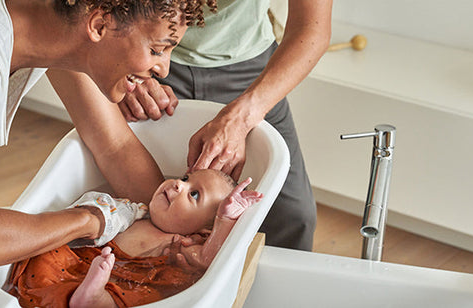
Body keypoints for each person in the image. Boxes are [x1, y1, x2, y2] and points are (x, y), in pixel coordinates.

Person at [0, 0, 215, 278]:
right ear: (100, 24)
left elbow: (115, 146)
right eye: (157, 49)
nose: (163, 68)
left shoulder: (52, 27)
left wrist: (178, 230)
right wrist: (90, 219)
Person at [116, 0, 334, 251]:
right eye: (185, 179)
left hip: (249, 69)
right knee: (133, 189)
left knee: (295, 216)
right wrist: (128, 65)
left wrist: (243, 116)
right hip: (147, 52)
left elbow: (312, 29)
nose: (178, 183)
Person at [5, 169, 262, 308]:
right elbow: (101, 221)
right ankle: (83, 294)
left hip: (132, 282)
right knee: (50, 252)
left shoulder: (184, 244)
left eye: (194, 195)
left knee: (149, 298)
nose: (178, 185)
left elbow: (209, 261)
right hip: (85, 262)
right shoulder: (135, 212)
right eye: (185, 178)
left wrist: (225, 220)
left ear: (202, 230)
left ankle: (96, 300)